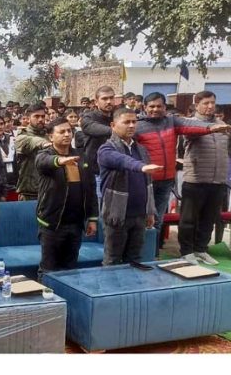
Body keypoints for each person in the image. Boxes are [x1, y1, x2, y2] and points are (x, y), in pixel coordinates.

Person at [134, 92, 227, 254]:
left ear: (165, 107)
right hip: (145, 181)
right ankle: (138, 255)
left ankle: (152, 254)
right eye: (152, 106)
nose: (156, 109)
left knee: (158, 221)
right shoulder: (136, 125)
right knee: (141, 220)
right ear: (144, 107)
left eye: (159, 106)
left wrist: (210, 128)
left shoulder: (171, 121)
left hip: (166, 181)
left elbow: (187, 125)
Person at [35, 117, 98, 281]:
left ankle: (68, 303)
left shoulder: (81, 156)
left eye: (69, 131)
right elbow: (43, 162)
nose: (66, 134)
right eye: (61, 132)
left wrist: (92, 219)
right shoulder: (45, 155)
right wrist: (60, 160)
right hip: (52, 224)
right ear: (51, 136)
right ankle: (48, 305)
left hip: (76, 224)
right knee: (48, 269)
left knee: (70, 269)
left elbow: (91, 189)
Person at [98, 108, 162, 266]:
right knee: (112, 260)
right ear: (113, 125)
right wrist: (140, 166)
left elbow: (148, 184)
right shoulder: (106, 149)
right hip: (116, 215)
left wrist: (150, 212)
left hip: (139, 215)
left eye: (134, 122)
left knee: (134, 259)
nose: (132, 125)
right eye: (126, 122)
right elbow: (121, 160)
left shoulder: (141, 149)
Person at [177, 91, 231, 265]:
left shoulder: (222, 124)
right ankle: (186, 252)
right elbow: (190, 134)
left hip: (217, 180)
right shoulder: (189, 123)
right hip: (195, 178)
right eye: (206, 103)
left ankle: (201, 249)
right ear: (196, 105)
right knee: (188, 219)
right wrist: (209, 129)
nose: (210, 106)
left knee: (209, 219)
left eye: (212, 103)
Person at [81, 85, 115, 196]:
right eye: (104, 99)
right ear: (96, 102)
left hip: (116, 171)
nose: (109, 101)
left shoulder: (118, 116)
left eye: (111, 98)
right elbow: (92, 127)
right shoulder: (88, 117)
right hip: (97, 172)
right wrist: (117, 131)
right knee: (101, 208)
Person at [16, 104, 50, 201]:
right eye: (36, 116)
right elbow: (33, 141)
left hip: (48, 191)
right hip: (29, 193)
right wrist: (48, 144)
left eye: (43, 116)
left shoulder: (48, 134)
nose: (40, 119)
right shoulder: (22, 136)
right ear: (28, 118)